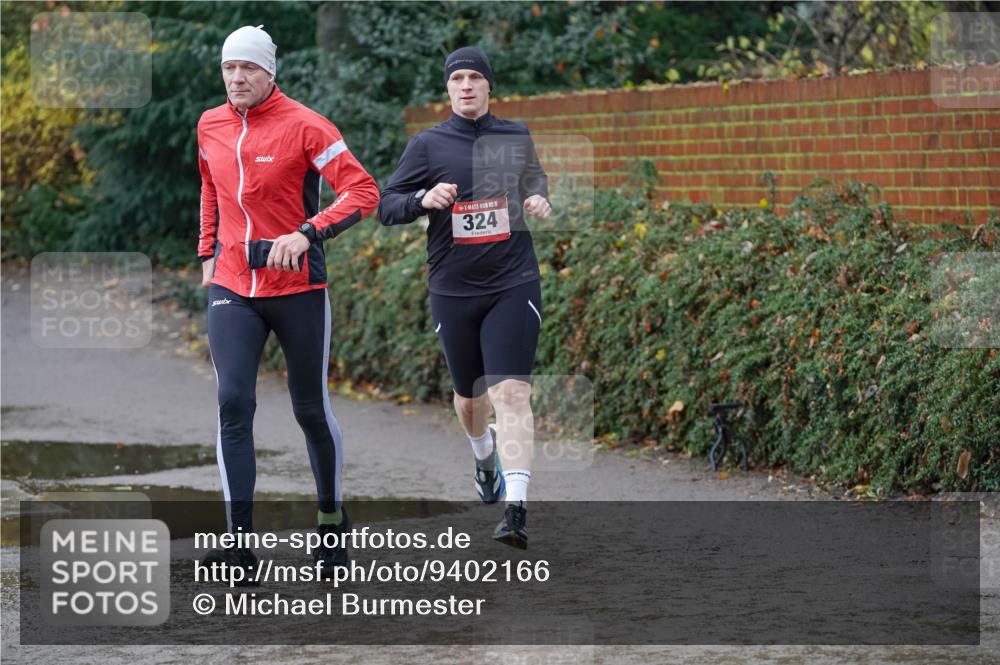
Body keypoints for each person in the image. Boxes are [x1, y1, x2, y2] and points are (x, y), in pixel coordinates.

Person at [196, 25, 379, 576]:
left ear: (269, 72)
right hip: (233, 286)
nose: (236, 78)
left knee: (309, 408)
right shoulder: (209, 124)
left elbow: (363, 190)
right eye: (229, 68)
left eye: (247, 68)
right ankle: (239, 542)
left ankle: (330, 521)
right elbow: (209, 186)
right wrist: (207, 252)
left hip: (298, 288)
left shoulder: (306, 125)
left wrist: (308, 232)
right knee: (233, 402)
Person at [378, 46, 551, 549]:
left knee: (512, 393)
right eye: (458, 79)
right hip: (453, 288)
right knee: (471, 400)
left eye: (476, 77)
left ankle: (515, 509)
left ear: (489, 86)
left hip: (513, 280)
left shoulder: (515, 135)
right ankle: (483, 458)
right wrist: (420, 200)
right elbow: (386, 206)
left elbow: (533, 179)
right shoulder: (427, 145)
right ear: (448, 89)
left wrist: (539, 196)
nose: (467, 86)